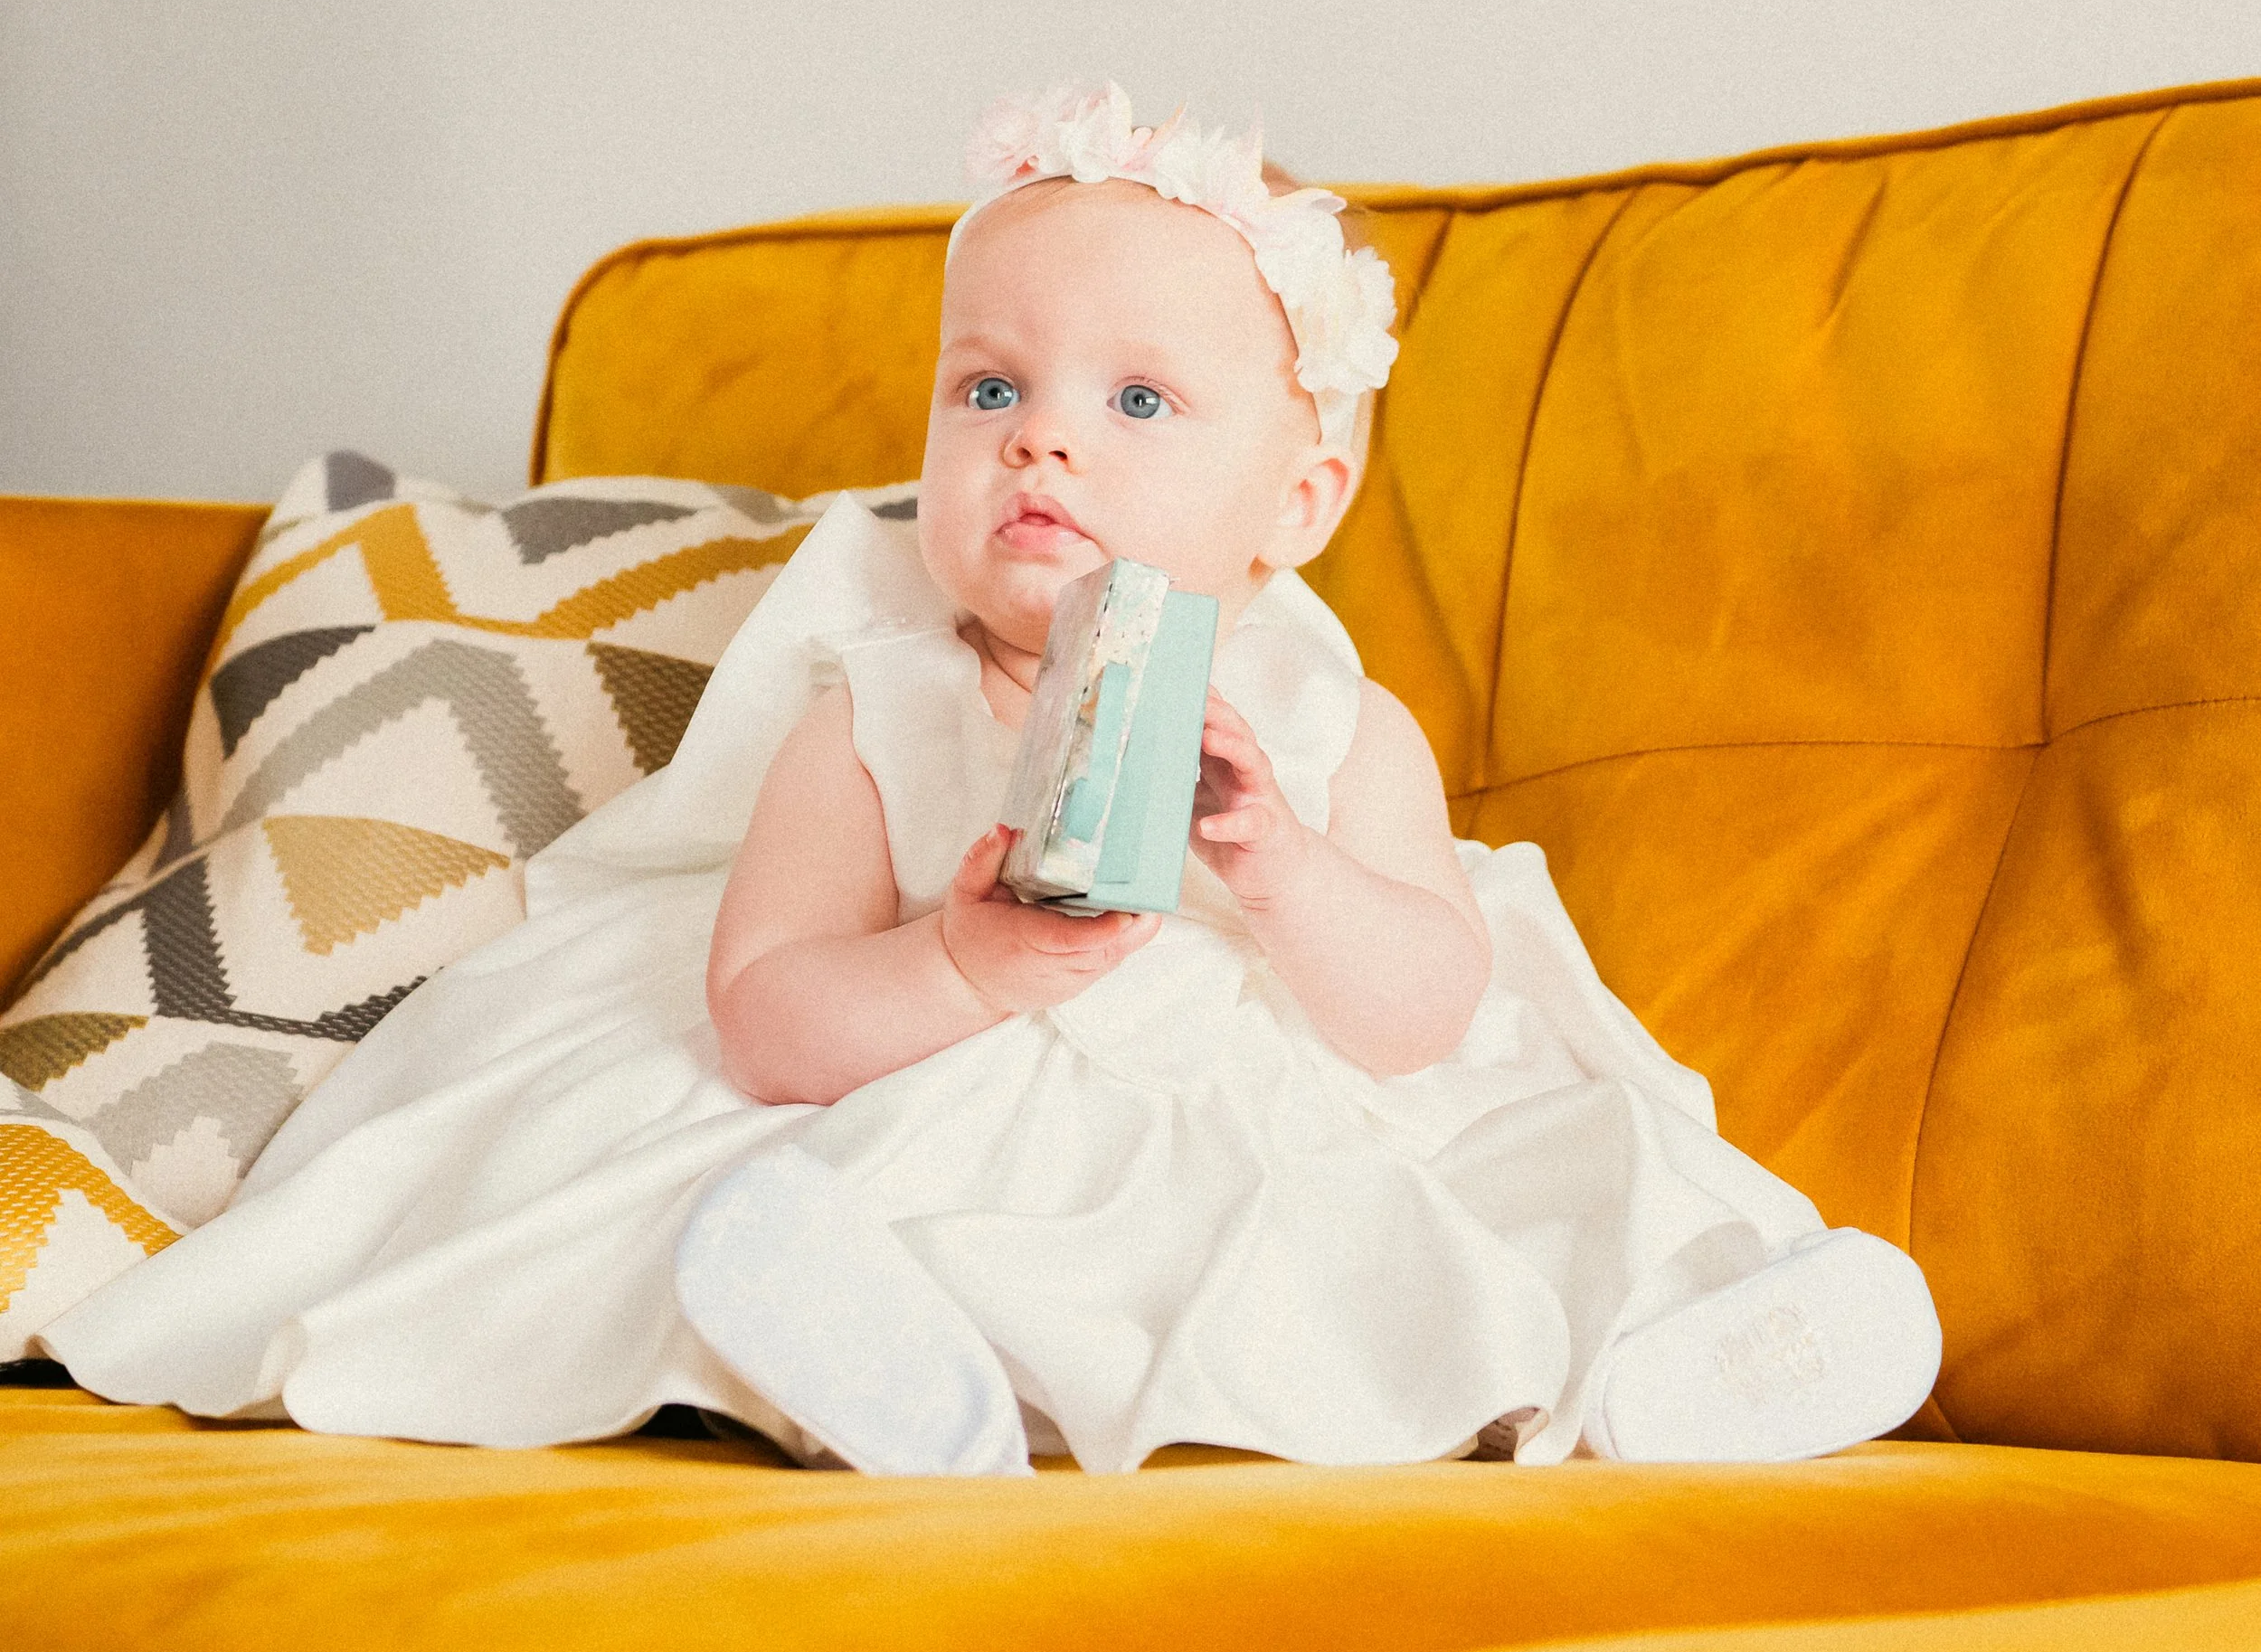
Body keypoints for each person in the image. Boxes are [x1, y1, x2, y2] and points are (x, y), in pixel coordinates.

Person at [50, 86, 1940, 1475]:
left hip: (1281, 1110)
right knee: (838, 1193)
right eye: (988, 390)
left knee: (1525, 1185)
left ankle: (1676, 1374)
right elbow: (769, 1005)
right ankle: (903, 1389)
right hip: (960, 1075)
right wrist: (954, 965)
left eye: (1134, 402)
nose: (1041, 439)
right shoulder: (868, 703)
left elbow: (1423, 1010)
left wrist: (1278, 865)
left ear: (1299, 505)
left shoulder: (1328, 723)